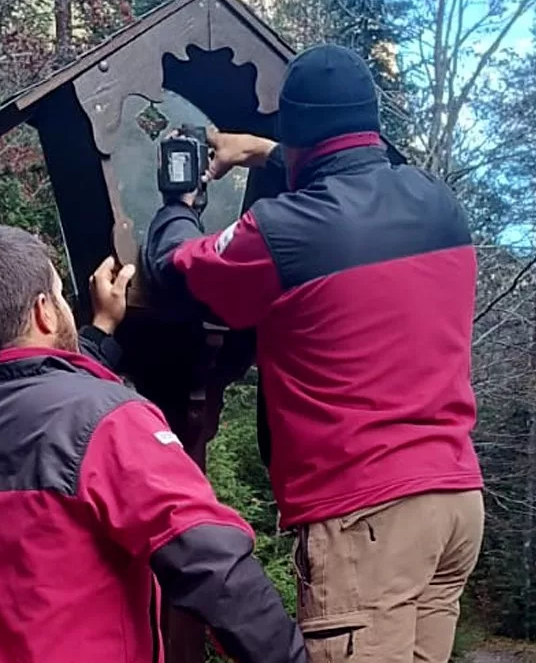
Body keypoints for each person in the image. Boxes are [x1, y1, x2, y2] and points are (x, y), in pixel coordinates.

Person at [143, 43, 485, 663]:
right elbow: (365, 171)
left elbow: (177, 268)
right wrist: (266, 151)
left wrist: (177, 204)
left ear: (297, 135)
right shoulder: (439, 204)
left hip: (367, 517)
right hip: (455, 504)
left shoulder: (285, 230)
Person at [0, 224, 307, 663]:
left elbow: (38, 401)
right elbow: (210, 565)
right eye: (61, 296)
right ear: (44, 312)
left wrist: (101, 331)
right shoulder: (109, 420)